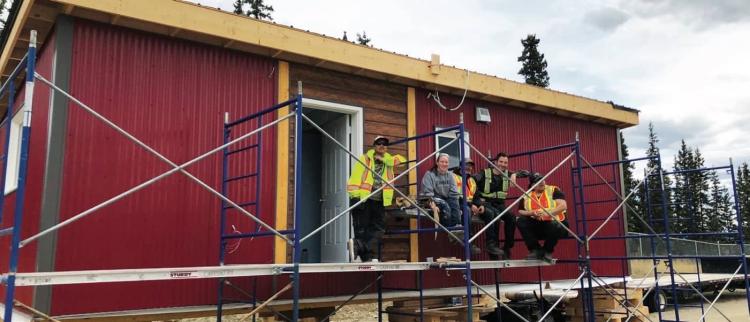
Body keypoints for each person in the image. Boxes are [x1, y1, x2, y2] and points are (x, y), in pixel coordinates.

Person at [347, 136, 406, 262]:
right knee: (362, 228)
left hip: (379, 200)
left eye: (385, 144)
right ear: (374, 146)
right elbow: (355, 177)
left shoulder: (388, 160)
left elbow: (402, 160)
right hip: (364, 198)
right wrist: (355, 196)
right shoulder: (366, 159)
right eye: (379, 143)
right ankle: (366, 257)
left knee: (379, 228)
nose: (382, 146)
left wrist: (384, 160)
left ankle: (360, 246)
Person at [472, 152, 519, 259]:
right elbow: (472, 183)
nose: (503, 164)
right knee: (495, 216)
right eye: (501, 162)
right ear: (496, 162)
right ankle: (492, 246)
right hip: (486, 203)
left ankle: (507, 247)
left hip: (499, 204)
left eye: (505, 162)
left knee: (511, 217)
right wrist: (477, 201)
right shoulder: (484, 173)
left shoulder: (508, 174)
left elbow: (524, 174)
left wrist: (515, 174)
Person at [517, 172, 569, 263]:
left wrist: (547, 213)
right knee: (520, 220)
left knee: (555, 225)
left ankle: (547, 251)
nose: (541, 182)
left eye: (542, 179)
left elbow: (563, 206)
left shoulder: (553, 190)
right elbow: (520, 210)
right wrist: (531, 213)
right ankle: (535, 249)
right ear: (532, 185)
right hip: (539, 225)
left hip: (557, 225)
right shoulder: (527, 195)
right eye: (538, 181)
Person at [420, 153, 462, 230]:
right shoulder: (429, 174)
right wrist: (433, 205)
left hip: (446, 198)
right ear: (437, 162)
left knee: (455, 205)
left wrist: (455, 205)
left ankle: (456, 227)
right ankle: (449, 229)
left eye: (446, 162)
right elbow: (427, 194)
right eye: (442, 162)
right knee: (445, 206)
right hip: (432, 199)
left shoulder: (450, 175)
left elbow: (454, 193)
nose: (444, 164)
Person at [452, 158, 482, 255]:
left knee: (490, 213)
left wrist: (479, 205)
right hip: (457, 203)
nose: (469, 168)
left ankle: (493, 245)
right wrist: (471, 205)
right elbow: (454, 195)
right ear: (461, 166)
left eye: (470, 166)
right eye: (466, 165)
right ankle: (469, 242)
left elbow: (476, 196)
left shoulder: (472, 180)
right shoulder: (453, 177)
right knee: (467, 210)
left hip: (469, 205)